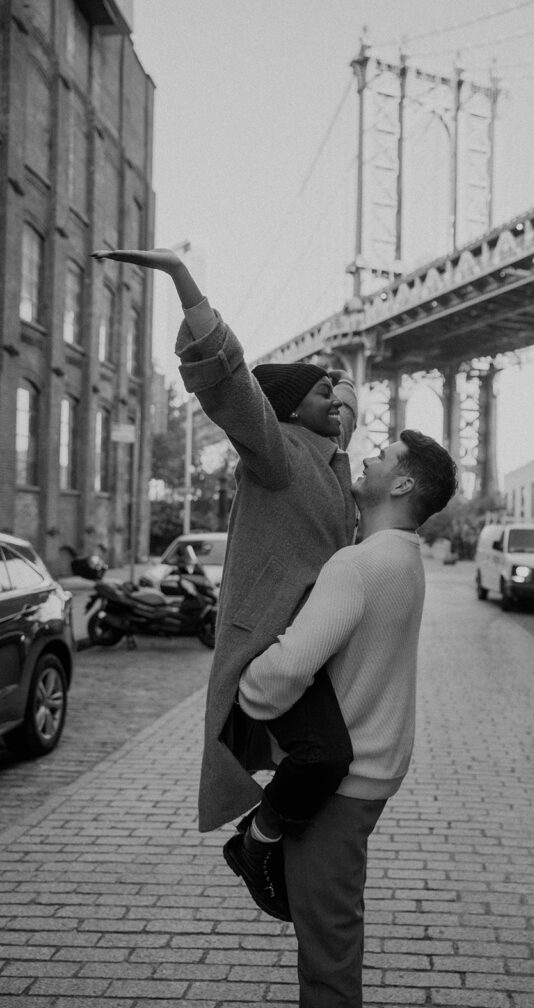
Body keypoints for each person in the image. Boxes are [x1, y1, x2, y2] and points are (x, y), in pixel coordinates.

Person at [90, 248, 359, 871]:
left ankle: (282, 857)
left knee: (326, 763)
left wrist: (340, 406)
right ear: (289, 409)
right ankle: (254, 842)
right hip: (273, 644)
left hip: (312, 645)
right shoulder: (278, 452)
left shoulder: (330, 463)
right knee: (325, 758)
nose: (338, 403)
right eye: (324, 393)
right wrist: (183, 281)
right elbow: (235, 386)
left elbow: (345, 407)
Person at [237, 428, 457, 1008]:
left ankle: (257, 842)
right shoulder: (403, 557)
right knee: (330, 940)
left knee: (327, 957)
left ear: (404, 483)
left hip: (339, 786)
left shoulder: (358, 565)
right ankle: (259, 843)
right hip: (366, 776)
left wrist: (242, 686)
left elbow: (288, 667)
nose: (367, 456)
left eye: (383, 456)